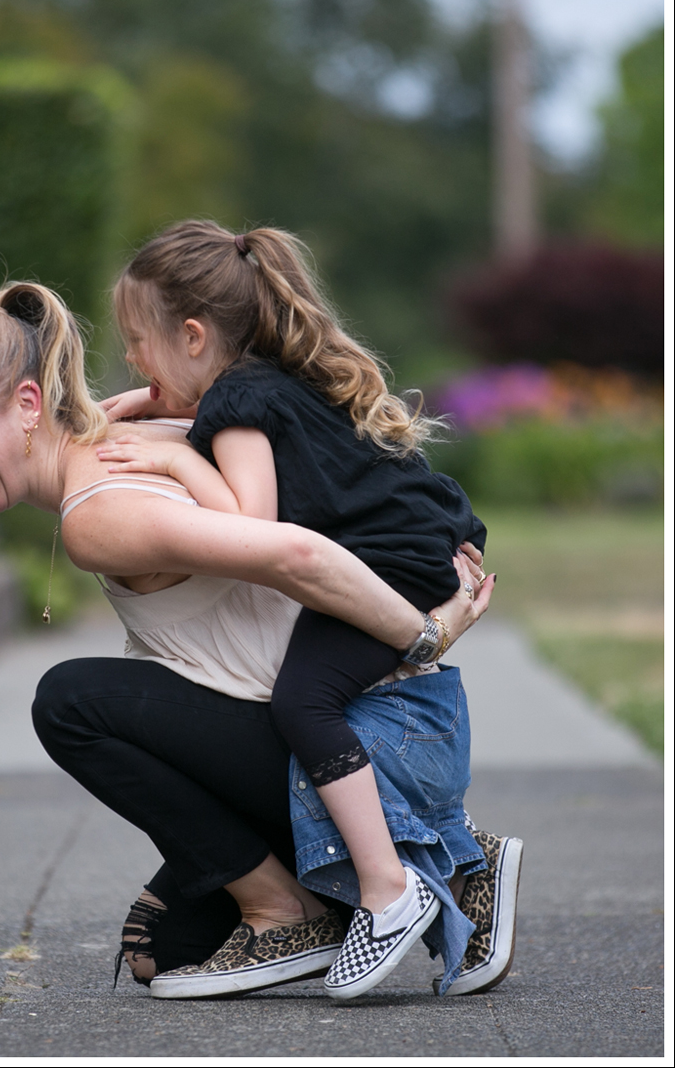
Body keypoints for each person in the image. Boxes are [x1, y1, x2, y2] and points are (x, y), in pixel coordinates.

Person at [0, 280, 519, 1002]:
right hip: (380, 732)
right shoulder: (150, 433)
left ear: (30, 404)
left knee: (68, 702)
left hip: (349, 746)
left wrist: (426, 633)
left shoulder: (97, 513)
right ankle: (452, 862)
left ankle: (313, 902)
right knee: (160, 949)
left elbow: (297, 555)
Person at [98, 220, 493, 998]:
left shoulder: (235, 404)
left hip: (386, 569)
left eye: (135, 341)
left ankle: (388, 891)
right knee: (319, 695)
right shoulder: (273, 379)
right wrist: (143, 408)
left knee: (302, 702)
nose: (131, 361)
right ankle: (461, 859)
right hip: (421, 541)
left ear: (191, 334)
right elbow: (173, 403)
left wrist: (178, 454)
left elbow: (252, 527)